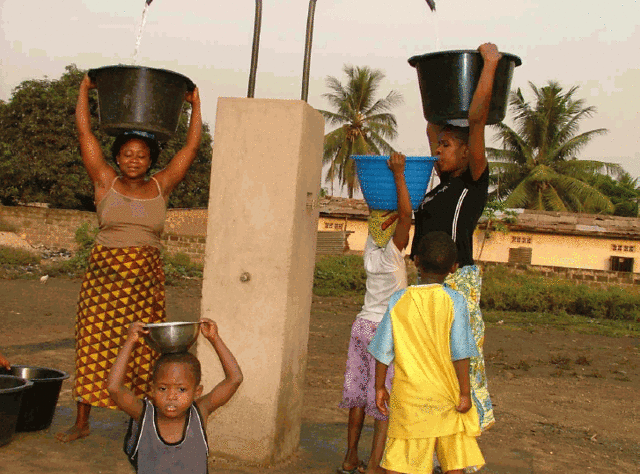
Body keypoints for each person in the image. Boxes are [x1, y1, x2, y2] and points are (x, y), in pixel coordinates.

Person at [56, 74, 202, 442]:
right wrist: (84, 91)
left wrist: (195, 105)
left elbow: (189, 149)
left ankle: (139, 423)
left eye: (141, 155)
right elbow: (85, 135)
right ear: (117, 157)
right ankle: (82, 421)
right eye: (127, 154)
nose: (133, 160)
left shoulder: (160, 185)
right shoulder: (104, 180)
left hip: (143, 284)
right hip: (102, 282)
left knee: (142, 352)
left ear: (151, 159)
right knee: (91, 346)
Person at [409, 42, 502, 432]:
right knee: (429, 362)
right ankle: (436, 434)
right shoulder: (436, 188)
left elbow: (477, 120)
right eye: (438, 145)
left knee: (460, 359)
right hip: (425, 280)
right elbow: (433, 122)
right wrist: (429, 85)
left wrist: (490, 65)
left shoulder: (471, 182)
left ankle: (464, 436)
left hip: (456, 281)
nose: (437, 149)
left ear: (467, 154)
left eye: (446, 145)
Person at [369, 231, 484, 474]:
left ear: (416, 260)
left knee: (401, 460)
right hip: (446, 397)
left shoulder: (399, 300)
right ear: (454, 268)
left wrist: (380, 387)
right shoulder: (456, 301)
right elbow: (460, 352)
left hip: (409, 398)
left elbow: (383, 350)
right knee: (454, 458)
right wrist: (465, 393)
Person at [338, 153, 412, 474]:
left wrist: (378, 200)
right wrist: (398, 175)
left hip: (361, 325)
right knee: (383, 400)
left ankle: (350, 457)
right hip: (384, 332)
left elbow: (382, 217)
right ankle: (374, 465)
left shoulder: (371, 248)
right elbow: (406, 214)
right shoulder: (394, 255)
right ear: (395, 232)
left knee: (357, 396)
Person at [107, 318, 243, 473]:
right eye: (163, 389)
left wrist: (214, 338)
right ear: (152, 390)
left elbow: (234, 379)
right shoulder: (144, 415)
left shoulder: (199, 413)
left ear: (197, 392)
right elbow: (114, 388)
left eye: (182, 390)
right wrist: (130, 341)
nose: (171, 396)